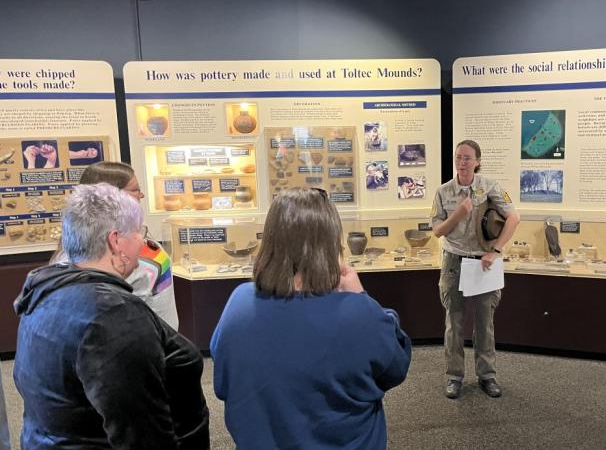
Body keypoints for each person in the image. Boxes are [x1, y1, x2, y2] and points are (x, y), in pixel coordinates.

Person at [211, 187, 412, 449]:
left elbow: (223, 383)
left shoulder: (239, 304)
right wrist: (361, 297)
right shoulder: (358, 314)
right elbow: (395, 367)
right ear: (331, 244)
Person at [13, 183, 209, 449]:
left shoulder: (45, 292)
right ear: (115, 241)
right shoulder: (115, 316)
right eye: (139, 231)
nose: (143, 241)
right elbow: (141, 433)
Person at [431, 139, 519, 399]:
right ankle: (454, 376)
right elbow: (437, 230)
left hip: (483, 263)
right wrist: (458, 214)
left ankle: (487, 375)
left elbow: (513, 217)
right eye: (458, 157)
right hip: (454, 261)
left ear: (478, 161)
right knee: (454, 322)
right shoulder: (443, 192)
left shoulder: (489, 186)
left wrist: (496, 250)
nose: (462, 162)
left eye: (467, 158)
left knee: (484, 322)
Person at [50, 161, 179, 330]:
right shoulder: (148, 258)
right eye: (135, 189)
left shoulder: (65, 254)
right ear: (113, 196)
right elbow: (165, 324)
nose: (141, 195)